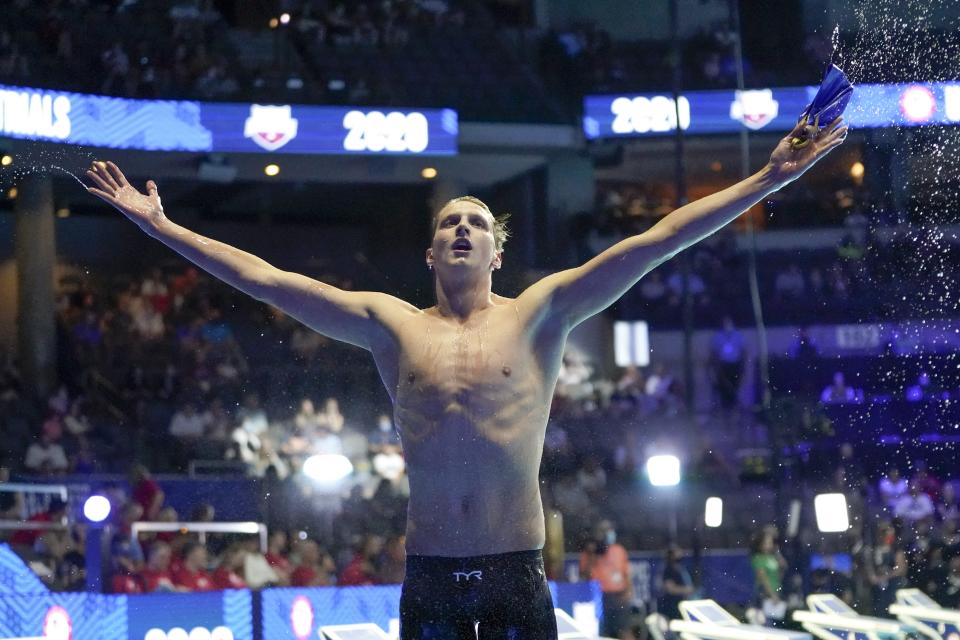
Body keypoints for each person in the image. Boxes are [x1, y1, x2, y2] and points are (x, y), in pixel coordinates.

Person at [85, 120, 848, 639]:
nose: (459, 229)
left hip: (516, 570)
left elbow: (658, 239)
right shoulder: (393, 325)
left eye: (475, 223)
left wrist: (764, 180)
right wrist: (162, 227)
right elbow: (270, 281)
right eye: (448, 222)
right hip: (431, 574)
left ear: (495, 255)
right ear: (428, 256)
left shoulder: (541, 316)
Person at [579, 521, 633, 640]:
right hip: (599, 598)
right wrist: (592, 554)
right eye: (603, 530)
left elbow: (627, 573)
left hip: (619, 597)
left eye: (609, 529)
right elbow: (584, 575)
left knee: (624, 631)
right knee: (602, 632)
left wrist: (629, 592)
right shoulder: (588, 552)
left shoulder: (619, 550)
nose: (607, 533)